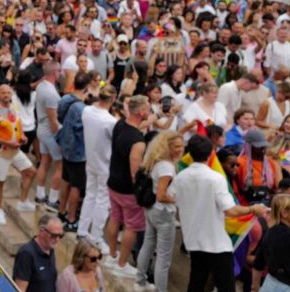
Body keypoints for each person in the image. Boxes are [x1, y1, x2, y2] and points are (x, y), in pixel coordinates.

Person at [171, 135, 270, 292]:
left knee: (196, 282)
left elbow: (173, 198)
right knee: (226, 287)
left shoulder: (181, 176)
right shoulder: (215, 178)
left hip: (193, 239)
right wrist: (253, 209)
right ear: (211, 154)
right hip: (216, 243)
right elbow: (230, 210)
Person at [104, 94, 150, 279]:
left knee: (115, 217)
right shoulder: (138, 141)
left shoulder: (120, 125)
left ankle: (112, 255)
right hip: (127, 190)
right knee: (132, 225)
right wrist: (141, 193)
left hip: (113, 182)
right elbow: (135, 172)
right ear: (140, 112)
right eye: (148, 108)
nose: (150, 111)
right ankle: (122, 264)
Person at [137, 131, 184, 292]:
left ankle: (140, 280)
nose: (180, 149)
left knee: (148, 244)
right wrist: (180, 199)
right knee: (164, 258)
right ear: (167, 147)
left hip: (152, 210)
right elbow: (162, 195)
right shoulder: (167, 168)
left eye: (181, 146)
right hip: (164, 213)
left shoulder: (158, 163)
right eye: (176, 146)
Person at [0, 83, 37, 225]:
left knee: (31, 171)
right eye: (3, 93)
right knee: (0, 182)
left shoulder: (15, 108)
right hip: (1, 152)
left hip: (15, 151)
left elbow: (18, 126)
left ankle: (23, 200)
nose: (6, 95)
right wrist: (7, 143)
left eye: (8, 92)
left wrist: (23, 136)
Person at [77, 84, 118, 250]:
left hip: (91, 160)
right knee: (102, 200)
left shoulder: (87, 111)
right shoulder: (110, 121)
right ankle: (95, 235)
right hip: (104, 164)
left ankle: (82, 230)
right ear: (113, 99)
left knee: (90, 195)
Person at [58, 70, 94, 232]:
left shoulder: (65, 99)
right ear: (87, 88)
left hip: (65, 147)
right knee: (77, 186)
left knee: (66, 179)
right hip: (78, 152)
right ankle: (72, 219)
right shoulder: (83, 109)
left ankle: (61, 211)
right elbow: (85, 132)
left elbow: (59, 117)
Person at [33, 60, 63, 209]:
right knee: (60, 165)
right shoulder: (51, 94)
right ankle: (52, 200)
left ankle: (40, 194)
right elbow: (53, 120)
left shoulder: (41, 86)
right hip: (50, 132)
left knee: (45, 162)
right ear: (54, 73)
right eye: (59, 71)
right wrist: (60, 137)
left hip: (41, 130)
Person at [12, 213, 63, 292]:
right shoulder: (26, 254)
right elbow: (20, 289)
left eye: (60, 236)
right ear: (42, 231)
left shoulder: (50, 250)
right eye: (54, 235)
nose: (57, 239)